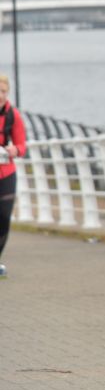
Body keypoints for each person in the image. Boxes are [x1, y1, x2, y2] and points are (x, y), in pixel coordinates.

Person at [0, 75, 26, 279]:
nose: (0, 95)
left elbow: (22, 146)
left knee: (3, 216)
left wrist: (14, 150)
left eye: (3, 91)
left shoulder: (13, 116)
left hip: (6, 172)